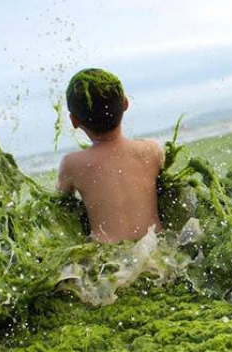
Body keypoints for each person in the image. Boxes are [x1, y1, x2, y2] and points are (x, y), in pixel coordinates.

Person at [57, 68, 164, 243]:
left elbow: (60, 209)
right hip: (156, 248)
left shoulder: (72, 164)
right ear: (125, 104)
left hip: (109, 261)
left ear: (74, 120)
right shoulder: (152, 151)